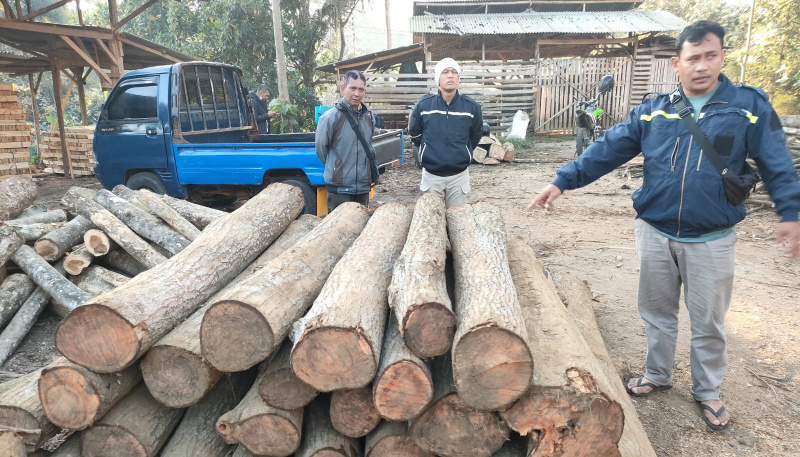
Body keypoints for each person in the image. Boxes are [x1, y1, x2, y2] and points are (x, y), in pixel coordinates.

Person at [529, 20, 800, 431]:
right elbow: (608, 148)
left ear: (723, 56)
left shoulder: (749, 106)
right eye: (693, 58)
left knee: (708, 320)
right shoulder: (655, 108)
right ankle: (657, 375)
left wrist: (791, 212)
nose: (702, 66)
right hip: (655, 232)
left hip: (712, 238)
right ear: (677, 63)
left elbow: (777, 163)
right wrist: (562, 180)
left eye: (711, 56)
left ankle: (707, 390)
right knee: (657, 312)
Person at [409, 58, 483, 207]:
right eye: (445, 72)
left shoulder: (471, 107)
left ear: (458, 78)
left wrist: (464, 151)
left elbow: (475, 136)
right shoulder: (424, 105)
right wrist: (428, 151)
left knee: (458, 223)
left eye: (454, 72)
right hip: (431, 177)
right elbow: (414, 134)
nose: (450, 76)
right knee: (431, 222)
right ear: (438, 78)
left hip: (459, 177)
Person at [315, 70, 376, 212]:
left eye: (361, 89)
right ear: (343, 89)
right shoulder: (330, 118)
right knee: (339, 230)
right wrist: (337, 167)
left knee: (361, 227)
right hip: (339, 188)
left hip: (362, 187)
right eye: (352, 88)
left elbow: (368, 146)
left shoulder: (369, 118)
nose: (357, 93)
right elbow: (321, 150)